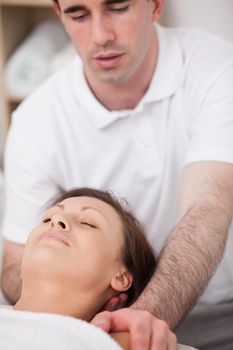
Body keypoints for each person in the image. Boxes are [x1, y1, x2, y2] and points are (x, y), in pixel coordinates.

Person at [1, 0, 233, 349]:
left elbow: (209, 204)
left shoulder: (215, 68)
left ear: (155, 5)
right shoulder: (37, 120)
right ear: (58, 14)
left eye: (118, 8)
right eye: (78, 14)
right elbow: (17, 260)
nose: (100, 36)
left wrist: (130, 327)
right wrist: (51, 311)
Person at [1, 187, 179, 350]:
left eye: (88, 223)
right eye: (47, 218)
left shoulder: (110, 343)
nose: (56, 220)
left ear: (121, 277)